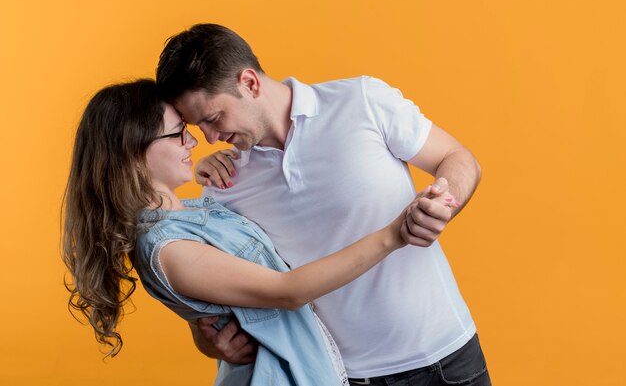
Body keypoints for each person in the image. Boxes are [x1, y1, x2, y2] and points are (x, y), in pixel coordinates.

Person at [155, 24, 491, 385]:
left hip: (449, 357)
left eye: (213, 118)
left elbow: (458, 158)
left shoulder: (361, 101)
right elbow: (218, 302)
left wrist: (444, 201)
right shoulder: (222, 187)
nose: (209, 138)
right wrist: (212, 343)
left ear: (249, 83)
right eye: (197, 126)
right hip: (343, 377)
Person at [62, 79, 446, 385]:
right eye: (178, 134)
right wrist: (394, 234)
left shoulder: (191, 213)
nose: (195, 141)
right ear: (133, 152)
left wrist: (198, 173)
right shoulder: (167, 248)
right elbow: (288, 291)